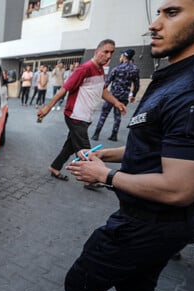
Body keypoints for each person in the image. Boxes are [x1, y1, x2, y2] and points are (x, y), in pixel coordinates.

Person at [41, 0, 194, 291]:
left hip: (148, 221)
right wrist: (104, 153)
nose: (155, 24)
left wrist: (106, 176)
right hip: (162, 225)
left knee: (80, 280)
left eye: (171, 12)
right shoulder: (178, 76)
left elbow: (181, 187)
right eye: (158, 12)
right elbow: (153, 147)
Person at [37, 39, 127, 185]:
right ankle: (92, 179)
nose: (109, 56)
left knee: (70, 146)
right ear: (96, 52)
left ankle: (54, 167)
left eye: (112, 53)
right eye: (106, 51)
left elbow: (102, 90)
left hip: (86, 117)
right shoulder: (84, 69)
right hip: (75, 116)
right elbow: (63, 90)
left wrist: (116, 103)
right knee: (86, 151)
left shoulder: (100, 70)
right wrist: (47, 108)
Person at [91, 49, 140, 141]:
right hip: (123, 97)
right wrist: (133, 95)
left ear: (124, 56)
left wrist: (101, 94)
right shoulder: (135, 69)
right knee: (117, 116)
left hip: (112, 96)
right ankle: (114, 135)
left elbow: (106, 83)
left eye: (121, 56)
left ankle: (96, 134)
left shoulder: (117, 68)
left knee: (104, 114)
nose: (120, 57)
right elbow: (136, 85)